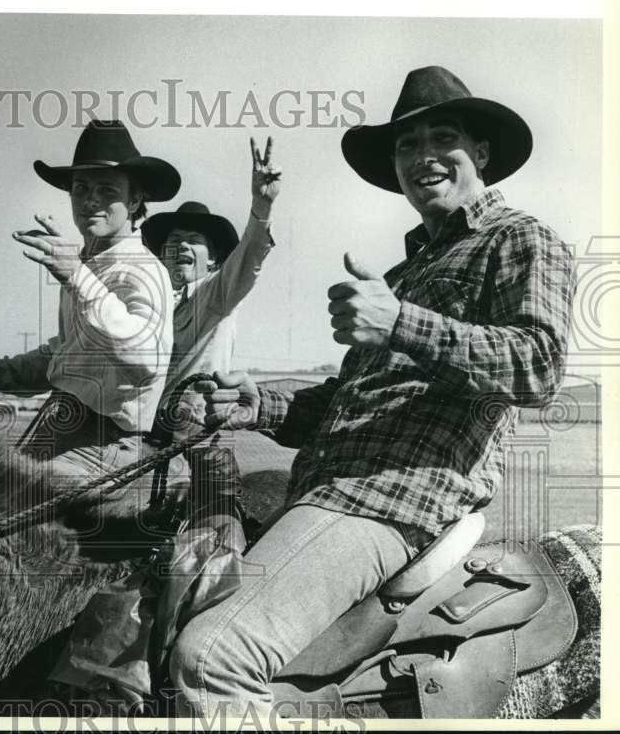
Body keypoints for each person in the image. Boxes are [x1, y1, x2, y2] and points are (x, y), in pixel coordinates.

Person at [168, 65, 576, 719]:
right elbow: (350, 404)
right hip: (328, 491)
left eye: (441, 138)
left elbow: (539, 366)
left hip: (391, 500)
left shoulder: (519, 239)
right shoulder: (402, 272)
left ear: (483, 152)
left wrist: (399, 322)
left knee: (213, 654)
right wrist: (261, 404)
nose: (421, 157)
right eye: (406, 146)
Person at [0, 119, 179, 501]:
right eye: (80, 189)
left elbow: (145, 359)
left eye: (107, 190)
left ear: (134, 200)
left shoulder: (142, 270)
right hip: (59, 432)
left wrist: (77, 276)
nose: (90, 199)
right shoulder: (91, 266)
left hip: (108, 448)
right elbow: (62, 358)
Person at [140, 136, 280, 532]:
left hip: (200, 440)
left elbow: (250, 255)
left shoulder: (216, 294)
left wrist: (262, 206)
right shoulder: (152, 310)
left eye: (193, 240)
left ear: (215, 259)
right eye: (171, 242)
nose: (179, 246)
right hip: (147, 440)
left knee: (216, 547)